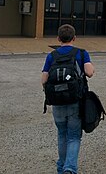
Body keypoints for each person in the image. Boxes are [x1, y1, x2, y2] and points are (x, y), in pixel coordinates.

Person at [41, 24, 95, 174]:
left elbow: (44, 79)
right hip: (75, 101)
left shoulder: (52, 56)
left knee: (62, 134)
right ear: (74, 38)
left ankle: (62, 166)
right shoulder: (82, 53)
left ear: (58, 39)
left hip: (57, 102)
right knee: (73, 136)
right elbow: (89, 72)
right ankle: (69, 168)